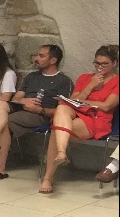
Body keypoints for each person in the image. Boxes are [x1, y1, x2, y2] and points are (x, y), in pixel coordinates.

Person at [0, 44, 74, 181]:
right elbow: (16, 98)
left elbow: (63, 111)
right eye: (37, 55)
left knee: (4, 122)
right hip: (21, 108)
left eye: (41, 56)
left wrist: (40, 110)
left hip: (40, 114)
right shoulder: (31, 76)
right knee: (1, 103)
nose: (36, 58)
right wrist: (23, 100)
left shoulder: (63, 81)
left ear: (53, 60)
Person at [39, 45, 119, 194]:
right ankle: (61, 153)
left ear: (114, 63)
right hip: (76, 114)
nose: (100, 67)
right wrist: (90, 87)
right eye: (97, 63)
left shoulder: (117, 81)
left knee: (56, 130)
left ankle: (48, 177)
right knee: (61, 108)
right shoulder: (86, 78)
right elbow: (72, 100)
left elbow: (107, 106)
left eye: (104, 64)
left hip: (97, 119)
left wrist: (84, 101)